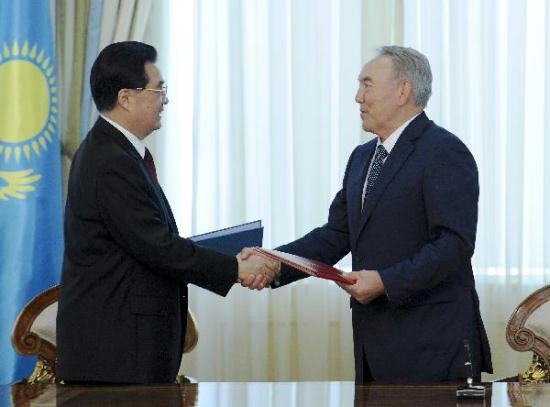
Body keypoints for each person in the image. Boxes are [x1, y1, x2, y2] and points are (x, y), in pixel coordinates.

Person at [244, 46, 492, 383]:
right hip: (374, 343)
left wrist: (386, 281)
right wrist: (273, 260)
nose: (357, 96)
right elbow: (336, 235)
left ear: (403, 90)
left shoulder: (444, 151)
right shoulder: (361, 158)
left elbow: (454, 245)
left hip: (433, 343)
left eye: (367, 84)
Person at [57, 41, 277, 384]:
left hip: (123, 353)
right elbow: (157, 246)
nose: (166, 99)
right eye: (159, 89)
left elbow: (149, 241)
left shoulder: (116, 153)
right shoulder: (109, 161)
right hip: (114, 358)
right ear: (126, 97)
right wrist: (235, 267)